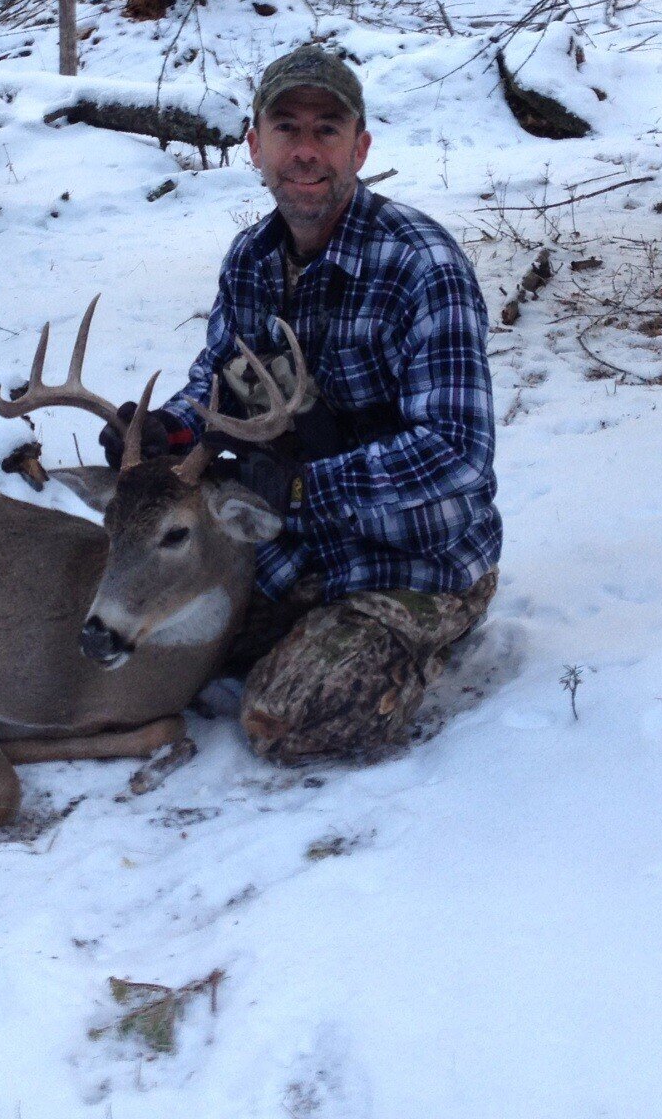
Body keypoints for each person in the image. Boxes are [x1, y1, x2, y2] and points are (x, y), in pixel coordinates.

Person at [101, 43, 502, 763]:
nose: (306, 151)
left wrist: (299, 487)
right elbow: (220, 380)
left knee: (284, 720)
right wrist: (172, 427)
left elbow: (458, 454)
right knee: (151, 649)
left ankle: (426, 637)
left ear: (360, 146)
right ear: (255, 146)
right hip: (293, 543)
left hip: (416, 558)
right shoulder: (251, 259)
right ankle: (299, 625)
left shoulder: (420, 266)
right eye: (287, 128)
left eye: (327, 129)